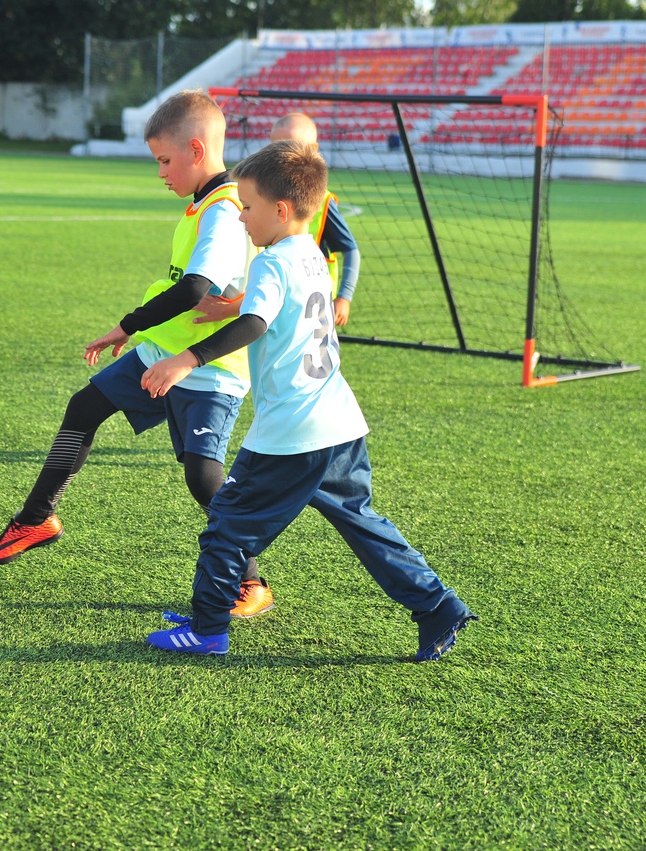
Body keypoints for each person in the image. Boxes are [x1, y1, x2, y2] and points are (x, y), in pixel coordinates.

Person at [141, 140, 477, 661]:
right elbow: (277, 312)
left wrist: (186, 358)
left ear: (279, 210)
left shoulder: (271, 263)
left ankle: (207, 631)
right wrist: (232, 307)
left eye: (247, 207)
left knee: (227, 524)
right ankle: (438, 605)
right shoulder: (312, 256)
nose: (241, 217)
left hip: (292, 433)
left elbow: (257, 322)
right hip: (340, 423)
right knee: (364, 525)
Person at [0, 90, 275, 619]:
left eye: (164, 160)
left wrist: (128, 325)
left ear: (196, 149)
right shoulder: (206, 205)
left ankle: (251, 582)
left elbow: (193, 290)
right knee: (84, 407)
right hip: (162, 349)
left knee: (203, 477)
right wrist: (134, 335)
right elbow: (190, 287)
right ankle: (36, 518)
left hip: (206, 367)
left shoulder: (224, 212)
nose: (160, 172)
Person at [269, 113, 360, 327]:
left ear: (313, 149)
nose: (284, 157)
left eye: (292, 147)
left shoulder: (322, 203)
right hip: (274, 298)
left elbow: (351, 250)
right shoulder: (263, 195)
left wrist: (344, 297)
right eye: (277, 149)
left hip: (313, 307)